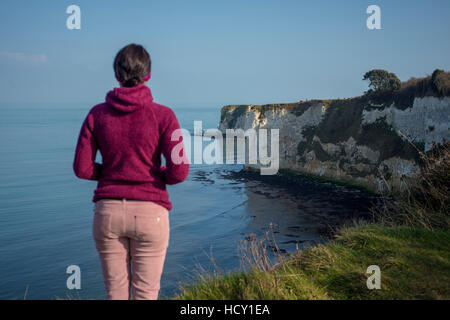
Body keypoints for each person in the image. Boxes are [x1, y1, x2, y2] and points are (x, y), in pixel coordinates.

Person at [73, 43, 189, 300]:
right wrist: (155, 175)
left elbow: (82, 169)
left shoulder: (97, 114)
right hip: (150, 212)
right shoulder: (165, 115)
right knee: (146, 294)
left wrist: (113, 172)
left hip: (108, 213)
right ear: (148, 74)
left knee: (115, 294)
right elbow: (179, 172)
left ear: (117, 74)